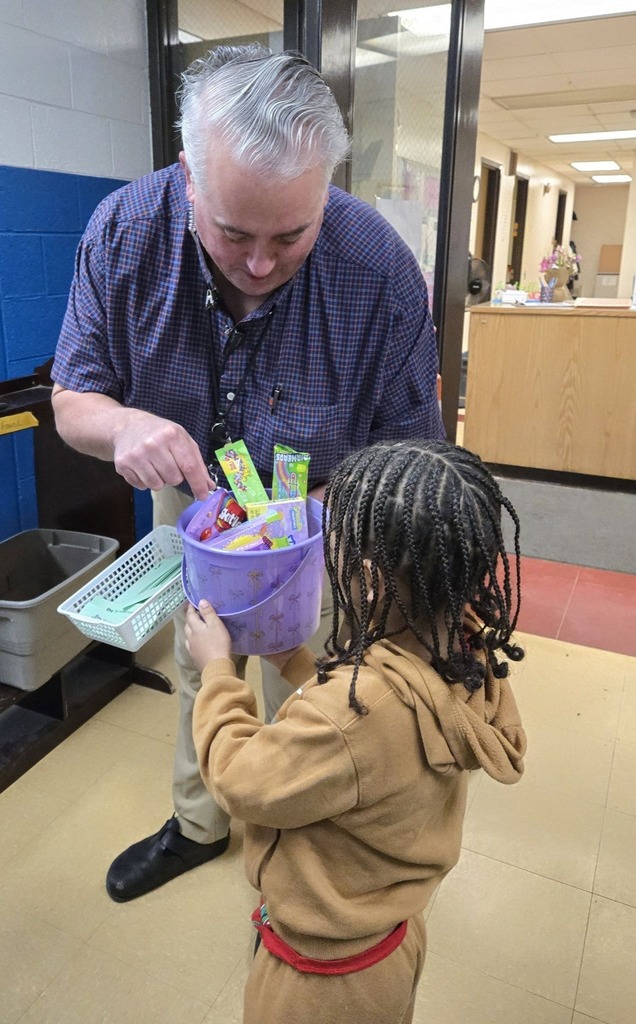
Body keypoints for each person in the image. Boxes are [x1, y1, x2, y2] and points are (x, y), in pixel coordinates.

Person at [50, 44, 445, 903]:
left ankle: (306, 848)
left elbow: (416, 452)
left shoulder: (377, 268)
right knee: (207, 668)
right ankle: (202, 820)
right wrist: (119, 426)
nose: (259, 265)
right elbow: (72, 400)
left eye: (290, 235)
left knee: (332, 679)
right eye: (233, 233)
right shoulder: (124, 233)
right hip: (194, 499)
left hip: (334, 507)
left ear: (325, 193)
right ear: (188, 176)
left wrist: (328, 516)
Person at [186, 439, 527, 1024]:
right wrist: (295, 660)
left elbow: (241, 779)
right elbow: (373, 729)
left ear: (366, 579)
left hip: (318, 985)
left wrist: (217, 671)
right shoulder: (463, 651)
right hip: (388, 947)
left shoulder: (348, 720)